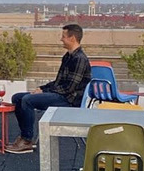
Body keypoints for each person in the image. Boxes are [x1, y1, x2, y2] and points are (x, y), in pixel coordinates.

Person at [7, 24, 91, 154]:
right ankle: (23, 136)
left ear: (72, 38)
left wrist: (45, 92)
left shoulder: (80, 59)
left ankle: (27, 140)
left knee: (28, 100)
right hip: (60, 94)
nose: (61, 39)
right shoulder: (68, 56)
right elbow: (58, 82)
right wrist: (42, 88)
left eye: (63, 36)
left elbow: (69, 88)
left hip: (69, 100)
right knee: (17, 97)